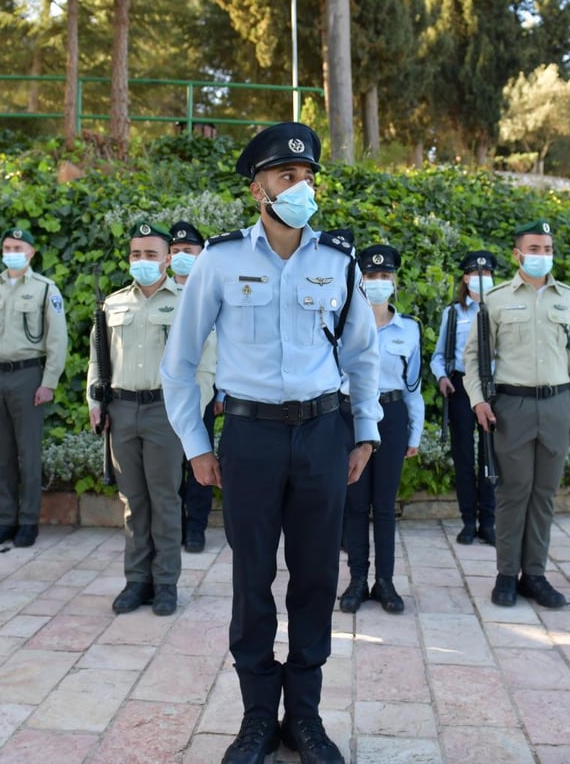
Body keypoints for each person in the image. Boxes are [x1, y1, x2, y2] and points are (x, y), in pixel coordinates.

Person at [162, 122, 381, 764]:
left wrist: (364, 431)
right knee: (252, 579)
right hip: (250, 436)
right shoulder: (221, 260)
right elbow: (179, 363)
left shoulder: (338, 263)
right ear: (259, 189)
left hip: (322, 433)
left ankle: (304, 718)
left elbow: (364, 357)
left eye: (308, 177)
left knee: (315, 578)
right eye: (288, 178)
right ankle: (258, 716)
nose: (301, 188)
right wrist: (197, 444)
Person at [465, 219, 570, 611]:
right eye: (533, 249)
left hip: (557, 405)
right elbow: (474, 356)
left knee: (544, 495)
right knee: (512, 493)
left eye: (547, 249)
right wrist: (477, 401)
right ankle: (506, 575)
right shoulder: (497, 300)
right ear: (517, 254)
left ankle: (534, 574)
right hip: (512, 406)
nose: (541, 255)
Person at [87, 221, 213, 617]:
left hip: (165, 411)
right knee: (133, 501)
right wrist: (95, 401)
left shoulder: (187, 302)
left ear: (168, 258)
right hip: (121, 411)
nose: (143, 261)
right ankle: (136, 580)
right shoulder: (112, 304)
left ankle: (165, 584)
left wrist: (191, 411)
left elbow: (206, 364)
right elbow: (97, 357)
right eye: (136, 254)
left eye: (152, 254)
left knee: (164, 499)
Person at [338, 244, 424, 615]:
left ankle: (385, 582)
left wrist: (415, 433)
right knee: (355, 503)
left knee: (384, 505)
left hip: (391, 417)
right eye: (371, 276)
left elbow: (413, 388)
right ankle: (357, 579)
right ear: (360, 281)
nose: (378, 282)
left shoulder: (410, 329)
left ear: (394, 281)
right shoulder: (343, 324)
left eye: (384, 276)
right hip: (350, 414)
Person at [0, 228, 68, 549]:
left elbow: (58, 340)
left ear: (31, 252)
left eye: (17, 247)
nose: (11, 251)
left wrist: (49, 383)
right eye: (6, 247)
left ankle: (28, 521)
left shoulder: (45, 289)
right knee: (0, 454)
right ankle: (6, 520)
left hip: (28, 376)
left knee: (28, 454)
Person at [430, 251, 498, 545]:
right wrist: (443, 378)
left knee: (490, 456)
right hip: (460, 388)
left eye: (487, 274)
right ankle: (468, 520)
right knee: (463, 457)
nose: (482, 279)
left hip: (493, 388)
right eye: (476, 274)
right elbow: (437, 357)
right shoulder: (453, 313)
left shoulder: (501, 309)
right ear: (466, 278)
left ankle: (489, 521)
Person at [168, 219, 219, 553]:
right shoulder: (159, 293)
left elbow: (230, 347)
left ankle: (196, 526)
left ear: (201, 254)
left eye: (188, 250)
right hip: (166, 397)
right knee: (168, 467)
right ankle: (172, 525)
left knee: (199, 462)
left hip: (205, 393)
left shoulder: (212, 293)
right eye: (175, 251)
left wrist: (224, 392)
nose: (181, 256)